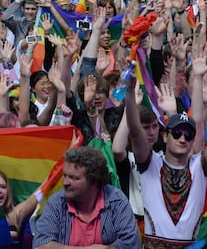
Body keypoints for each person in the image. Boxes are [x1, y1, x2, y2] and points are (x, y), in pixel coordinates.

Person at [126, 54, 207, 247]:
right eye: (177, 133)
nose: (182, 138)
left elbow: (197, 122)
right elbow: (136, 132)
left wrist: (197, 77)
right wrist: (129, 95)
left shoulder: (200, 166)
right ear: (165, 135)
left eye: (188, 135)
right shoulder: (151, 162)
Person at [33, 146, 139, 248]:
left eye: (73, 178)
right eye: (64, 176)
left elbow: (131, 243)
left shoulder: (116, 201)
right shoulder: (57, 202)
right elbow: (40, 245)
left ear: (94, 181)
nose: (65, 183)